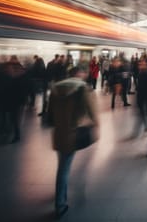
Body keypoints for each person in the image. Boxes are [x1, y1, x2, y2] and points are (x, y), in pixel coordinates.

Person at [48, 65, 99, 219]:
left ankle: (60, 192)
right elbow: (93, 111)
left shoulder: (55, 89)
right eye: (84, 73)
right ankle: (60, 204)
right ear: (80, 74)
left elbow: (49, 113)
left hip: (59, 132)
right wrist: (95, 126)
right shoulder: (83, 89)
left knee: (62, 164)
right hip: (73, 132)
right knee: (64, 167)